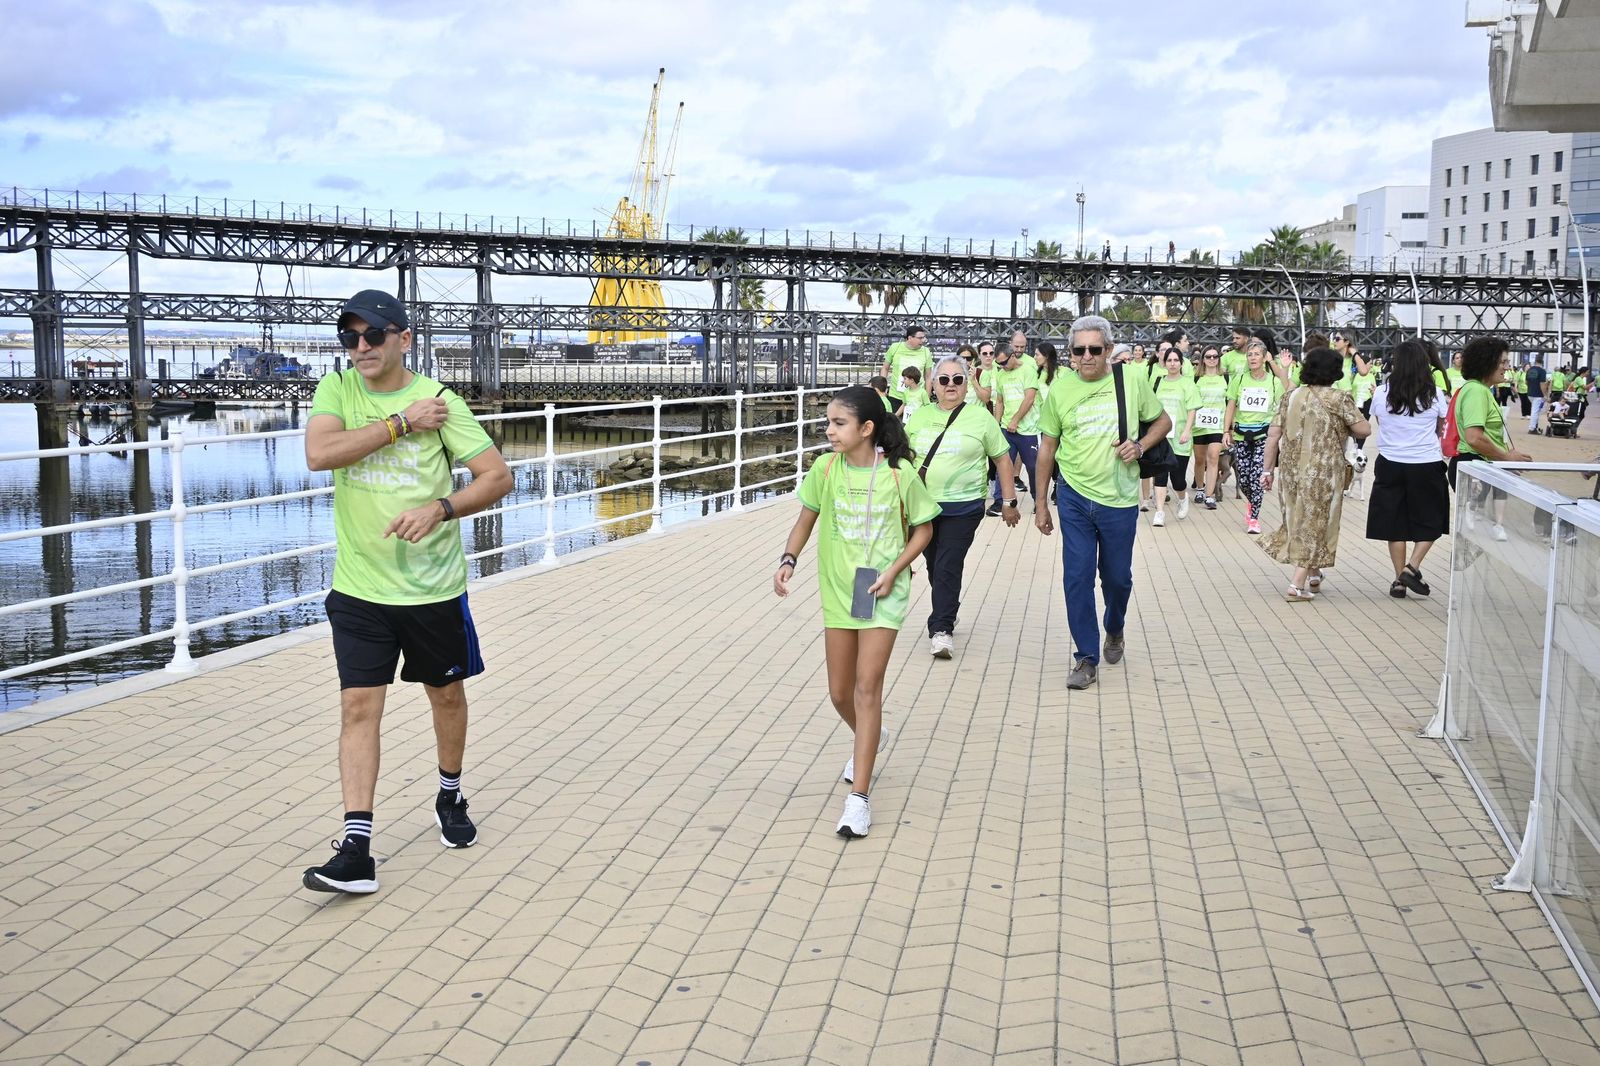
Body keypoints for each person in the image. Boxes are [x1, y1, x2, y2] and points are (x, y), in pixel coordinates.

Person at [301, 289, 514, 895]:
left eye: (373, 335)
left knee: (445, 698)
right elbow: (320, 454)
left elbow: (497, 477)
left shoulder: (442, 402)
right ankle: (357, 848)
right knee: (358, 707)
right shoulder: (338, 390)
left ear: (404, 339)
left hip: (431, 589)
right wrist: (399, 423)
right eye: (350, 336)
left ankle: (449, 793)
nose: (360, 347)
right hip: (360, 589)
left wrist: (442, 509)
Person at [775, 386, 940, 838]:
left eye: (838, 424)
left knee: (868, 689)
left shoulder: (899, 474)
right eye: (827, 423)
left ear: (867, 429)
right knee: (839, 693)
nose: (829, 431)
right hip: (838, 592)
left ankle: (859, 799)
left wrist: (894, 571)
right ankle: (872, 734)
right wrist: (788, 560)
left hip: (883, 590)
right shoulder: (826, 469)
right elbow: (806, 518)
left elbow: (923, 530)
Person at [1033, 315, 1171, 689]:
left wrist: (1140, 445)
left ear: (1109, 350)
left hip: (1119, 499)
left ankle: (1115, 627)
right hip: (1075, 497)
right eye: (1080, 350)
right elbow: (1047, 448)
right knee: (1076, 578)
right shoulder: (1060, 390)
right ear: (1071, 354)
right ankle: (1085, 657)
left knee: (1117, 579)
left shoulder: (1132, 380)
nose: (1088, 356)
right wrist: (1041, 502)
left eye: (1096, 349)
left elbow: (1164, 421)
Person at [906, 357, 1020, 658]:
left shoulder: (980, 418)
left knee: (947, 564)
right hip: (923, 507)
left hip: (964, 506)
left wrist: (1008, 502)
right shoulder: (919, 416)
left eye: (957, 379)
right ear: (934, 386)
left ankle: (941, 629)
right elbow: (901, 458)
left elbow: (1002, 460)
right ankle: (948, 608)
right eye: (944, 380)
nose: (951, 385)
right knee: (934, 565)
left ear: (966, 384)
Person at [1259, 347, 1371, 601]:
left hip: (1290, 471)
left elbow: (1273, 435)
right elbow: (1364, 430)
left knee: (1300, 519)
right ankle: (1296, 585)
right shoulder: (1339, 398)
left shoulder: (1290, 396)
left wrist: (1268, 470)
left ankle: (1314, 572)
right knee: (1316, 522)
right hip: (1323, 471)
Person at [1363, 340, 1450, 599]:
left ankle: (1399, 579)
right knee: (1433, 519)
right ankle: (1412, 568)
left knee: (1394, 522)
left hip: (1390, 462)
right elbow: (1439, 426)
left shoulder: (1381, 392)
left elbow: (1380, 421)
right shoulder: (1434, 393)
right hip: (1425, 463)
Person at [1452, 336, 1532, 540]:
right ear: (1487, 362)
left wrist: (1506, 455)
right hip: (1474, 467)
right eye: (1503, 362)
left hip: (1479, 467)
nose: (1507, 367)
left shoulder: (1481, 390)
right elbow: (1474, 438)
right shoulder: (1477, 392)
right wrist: (1505, 457)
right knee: (1472, 537)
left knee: (1473, 537)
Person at [1224, 338, 1285, 535]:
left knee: (1257, 476)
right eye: (1249, 354)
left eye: (1257, 354)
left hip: (1263, 436)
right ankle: (1251, 502)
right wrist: (1227, 430)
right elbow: (1231, 406)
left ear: (1265, 357)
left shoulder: (1274, 382)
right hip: (1242, 434)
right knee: (1243, 478)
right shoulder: (1239, 380)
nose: (1252, 358)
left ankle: (1254, 518)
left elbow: (1283, 402)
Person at [987, 331, 1040, 516]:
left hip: (1028, 430)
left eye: (1003, 362)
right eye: (998, 363)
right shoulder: (1001, 374)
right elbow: (999, 401)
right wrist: (997, 423)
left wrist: (1016, 420)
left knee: (1033, 467)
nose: (1001, 366)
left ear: (1012, 355)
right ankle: (1000, 501)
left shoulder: (1028, 369)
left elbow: (1030, 398)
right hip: (1006, 429)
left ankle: (1038, 500)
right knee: (1003, 464)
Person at [1152, 346, 1198, 525]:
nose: (1172, 363)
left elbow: (1192, 409)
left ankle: (1182, 497)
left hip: (1180, 435)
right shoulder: (1157, 382)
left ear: (1181, 363)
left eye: (1176, 360)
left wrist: (1187, 430)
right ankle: (1160, 512)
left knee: (1177, 478)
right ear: (1164, 363)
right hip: (1161, 436)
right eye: (1169, 360)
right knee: (1161, 474)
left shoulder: (1187, 383)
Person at [1190, 345, 1228, 509]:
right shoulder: (1196, 378)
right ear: (1202, 360)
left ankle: (1209, 495)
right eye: (1208, 357)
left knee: (1213, 458)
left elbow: (1230, 403)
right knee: (1200, 460)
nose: (1212, 359)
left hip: (1217, 425)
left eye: (1215, 356)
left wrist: (1229, 429)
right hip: (1199, 425)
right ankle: (1199, 487)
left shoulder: (1225, 378)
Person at [880, 325, 932, 405]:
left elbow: (928, 376)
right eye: (920, 338)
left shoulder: (926, 352)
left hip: (917, 398)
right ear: (910, 338)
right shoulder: (895, 347)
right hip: (895, 396)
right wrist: (882, 389)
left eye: (924, 337)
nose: (923, 340)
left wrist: (927, 398)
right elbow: (885, 368)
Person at [1524, 354, 1548, 434]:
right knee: (1535, 411)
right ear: (1542, 362)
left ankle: (1535, 427)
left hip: (1530, 393)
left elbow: (1526, 382)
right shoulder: (1542, 371)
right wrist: (1545, 395)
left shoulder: (1529, 370)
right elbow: (1542, 384)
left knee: (1535, 411)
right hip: (1538, 394)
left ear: (1535, 361)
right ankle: (1532, 428)